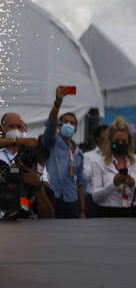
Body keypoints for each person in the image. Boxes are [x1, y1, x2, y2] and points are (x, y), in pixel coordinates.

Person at [39, 86, 86, 218]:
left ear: (76, 129)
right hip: (52, 197)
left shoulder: (78, 152)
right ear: (59, 126)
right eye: (65, 122)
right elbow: (51, 124)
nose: (69, 125)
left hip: (71, 200)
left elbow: (80, 182)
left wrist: (82, 209)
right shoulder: (52, 141)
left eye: (72, 123)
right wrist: (57, 104)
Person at [0, 111, 54, 219]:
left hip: (27, 218)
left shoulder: (32, 159)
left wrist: (36, 183)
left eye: (19, 126)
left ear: (25, 129)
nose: (16, 130)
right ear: (1, 129)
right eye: (11, 126)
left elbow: (47, 187)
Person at [87, 117, 136, 217]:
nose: (120, 144)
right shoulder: (99, 162)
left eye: (124, 141)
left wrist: (133, 185)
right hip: (107, 213)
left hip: (132, 213)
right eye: (117, 141)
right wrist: (113, 184)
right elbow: (95, 197)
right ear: (110, 140)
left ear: (129, 141)